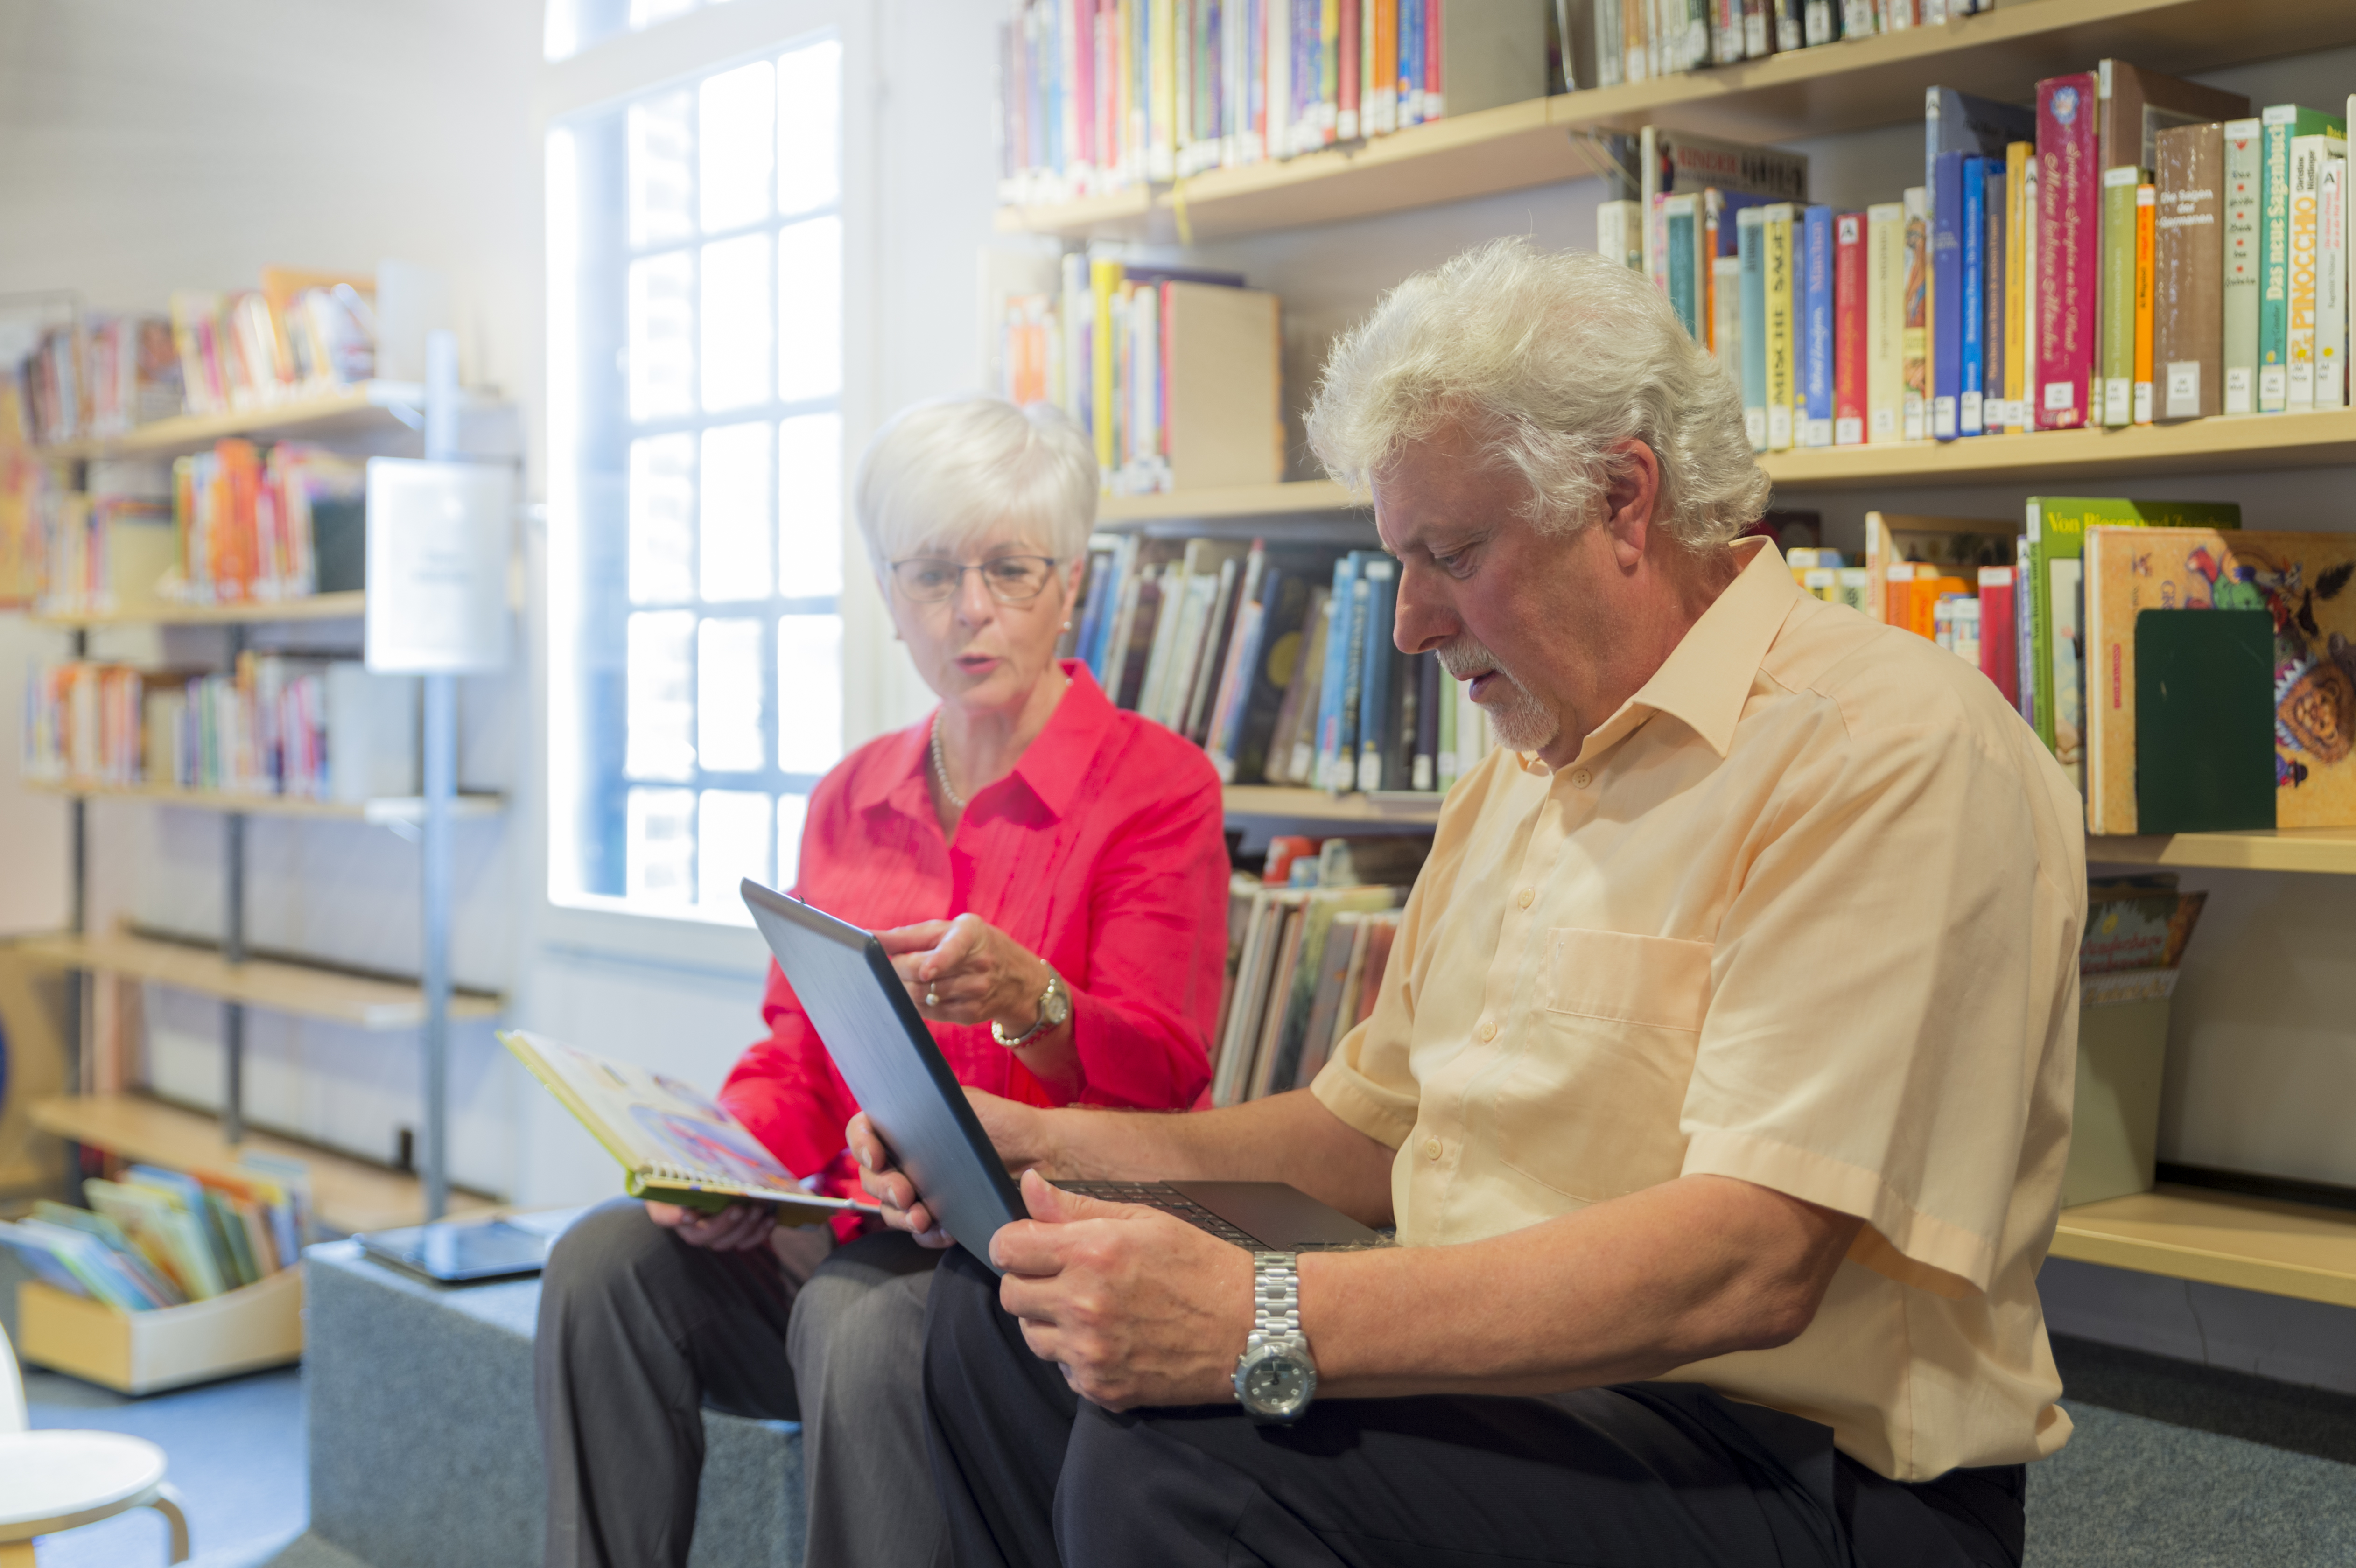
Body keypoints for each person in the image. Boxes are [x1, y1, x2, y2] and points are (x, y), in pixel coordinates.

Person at [860, 241, 2086, 1567]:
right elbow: (1358, 1137)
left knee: (1189, 1455)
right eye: (1402, 561)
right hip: (1533, 1400)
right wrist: (1036, 1148)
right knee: (999, 1332)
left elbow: (1753, 1261)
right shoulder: (1519, 772)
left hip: (1797, 1464)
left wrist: (1266, 1312)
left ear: (1625, 499)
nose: (1411, 626)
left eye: (1450, 552)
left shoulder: (1888, 749)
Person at [534, 397, 1231, 1568]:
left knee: (859, 1321)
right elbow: (797, 1058)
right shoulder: (850, 795)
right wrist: (728, 1161)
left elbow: (1166, 1079)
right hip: (876, 1225)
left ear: (1073, 584)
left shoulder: (1157, 788)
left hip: (1053, 1250)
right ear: (884, 589)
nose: (971, 609)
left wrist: (1037, 1003)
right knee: (606, 1263)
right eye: (929, 574)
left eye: (1010, 569)